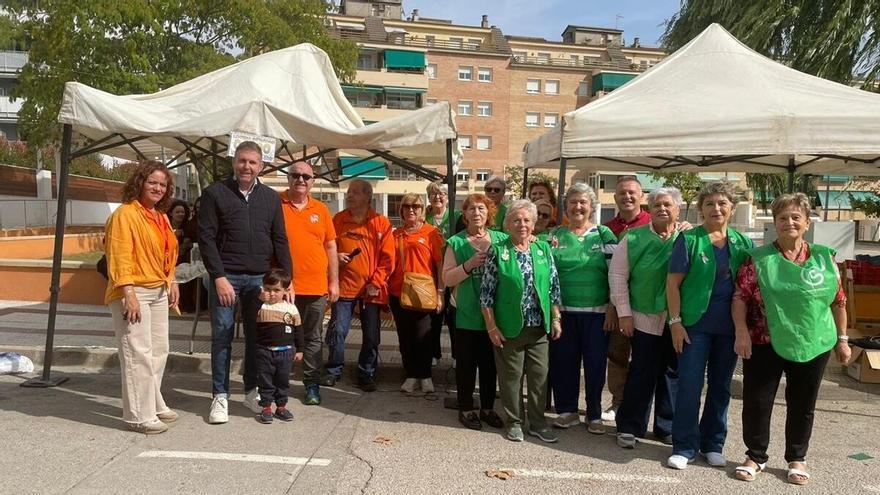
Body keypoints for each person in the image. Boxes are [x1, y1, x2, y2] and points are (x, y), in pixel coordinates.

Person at [732, 193, 850, 486]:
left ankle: (797, 458)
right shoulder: (758, 259)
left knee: (802, 403)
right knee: (758, 401)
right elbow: (740, 298)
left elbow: (839, 301)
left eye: (796, 217)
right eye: (782, 218)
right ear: (774, 223)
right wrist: (742, 332)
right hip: (764, 340)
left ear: (807, 223)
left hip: (813, 341)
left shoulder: (825, 258)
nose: (789, 222)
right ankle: (755, 456)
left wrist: (843, 339)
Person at [199, 141, 292, 425]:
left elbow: (280, 240)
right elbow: (206, 239)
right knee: (223, 336)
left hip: (259, 280)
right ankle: (220, 396)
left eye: (252, 162)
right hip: (227, 277)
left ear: (261, 166)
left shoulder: (271, 198)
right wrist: (219, 277)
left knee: (257, 339)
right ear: (233, 162)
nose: (247, 167)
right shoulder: (215, 194)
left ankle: (251, 391)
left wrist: (287, 282)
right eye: (242, 161)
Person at [665, 181, 753, 470]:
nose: (716, 208)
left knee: (721, 386)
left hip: (728, 327)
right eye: (710, 203)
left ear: (731, 208)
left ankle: (713, 443)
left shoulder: (743, 243)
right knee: (690, 384)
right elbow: (672, 285)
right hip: (693, 326)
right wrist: (675, 323)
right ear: (701, 209)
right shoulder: (689, 240)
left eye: (722, 203)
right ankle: (685, 446)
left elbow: (749, 286)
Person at [104, 160, 180, 434]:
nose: (158, 188)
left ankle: (154, 403)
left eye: (163, 184)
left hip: (158, 289)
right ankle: (138, 415)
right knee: (137, 353)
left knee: (159, 351)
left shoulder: (160, 216)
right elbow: (119, 255)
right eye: (153, 182)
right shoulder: (125, 214)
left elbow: (166, 254)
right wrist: (129, 294)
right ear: (139, 182)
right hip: (133, 289)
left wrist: (171, 281)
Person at [480, 199, 563, 443]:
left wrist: (556, 318)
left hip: (539, 327)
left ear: (534, 223)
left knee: (539, 377)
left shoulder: (543, 249)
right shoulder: (498, 251)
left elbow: (553, 287)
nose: (522, 224)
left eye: (527, 220)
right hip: (509, 327)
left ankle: (537, 422)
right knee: (511, 378)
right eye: (516, 220)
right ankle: (514, 422)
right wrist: (491, 327)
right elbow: (486, 294)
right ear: (508, 224)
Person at [609, 187, 683, 449]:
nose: (662, 209)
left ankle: (667, 427)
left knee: (672, 373)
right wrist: (625, 314)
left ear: (678, 209)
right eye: (656, 205)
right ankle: (630, 425)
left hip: (678, 320)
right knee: (642, 372)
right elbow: (618, 276)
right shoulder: (633, 238)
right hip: (643, 317)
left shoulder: (688, 237)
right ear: (648, 210)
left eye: (667, 205)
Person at [548, 183, 617, 434]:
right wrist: (554, 313)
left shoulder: (604, 234)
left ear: (591, 206)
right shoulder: (554, 236)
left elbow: (617, 274)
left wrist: (612, 307)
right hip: (564, 312)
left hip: (598, 313)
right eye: (573, 202)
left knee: (596, 365)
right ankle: (567, 411)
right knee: (563, 363)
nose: (578, 207)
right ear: (565, 207)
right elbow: (549, 278)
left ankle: (594, 414)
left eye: (583, 202)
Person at [323, 179, 394, 392]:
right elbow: (326, 246)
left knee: (372, 335)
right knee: (338, 331)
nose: (350, 195)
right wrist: (336, 256)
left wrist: (376, 282)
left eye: (355, 192)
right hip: (344, 288)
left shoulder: (381, 222)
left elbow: (388, 259)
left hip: (370, 291)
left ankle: (366, 373)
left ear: (367, 196)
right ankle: (334, 370)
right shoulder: (338, 219)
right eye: (349, 192)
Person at [443, 193, 506, 430]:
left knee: (490, 365)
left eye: (481, 208)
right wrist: (468, 266)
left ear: (489, 213)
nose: (476, 213)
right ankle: (466, 408)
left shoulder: (502, 239)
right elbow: (447, 278)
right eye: (471, 209)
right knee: (467, 365)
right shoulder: (455, 242)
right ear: (464, 215)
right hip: (466, 314)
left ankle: (488, 408)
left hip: (495, 315)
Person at [280, 161, 339, 406]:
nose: (301, 180)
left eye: (306, 176)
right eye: (295, 175)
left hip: (316, 287)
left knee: (313, 338)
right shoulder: (276, 203)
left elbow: (331, 246)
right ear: (289, 178)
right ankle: (278, 385)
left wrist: (334, 281)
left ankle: (311, 385)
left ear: (313, 181)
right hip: (283, 289)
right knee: (281, 337)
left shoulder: (321, 209)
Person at [602, 175, 651, 422]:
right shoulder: (608, 229)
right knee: (618, 355)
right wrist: (613, 308)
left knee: (645, 361)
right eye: (622, 193)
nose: (627, 197)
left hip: (649, 306)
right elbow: (609, 273)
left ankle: (641, 409)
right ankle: (617, 402)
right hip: (620, 305)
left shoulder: (655, 224)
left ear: (642, 196)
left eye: (632, 192)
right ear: (615, 198)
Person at [390, 192, 445, 394]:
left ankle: (425, 375)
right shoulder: (395, 235)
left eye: (416, 206)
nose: (411, 210)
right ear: (401, 210)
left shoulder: (432, 233)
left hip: (424, 292)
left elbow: (439, 265)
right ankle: (411, 374)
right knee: (404, 336)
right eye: (407, 206)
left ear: (423, 211)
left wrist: (440, 292)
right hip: (398, 292)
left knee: (423, 336)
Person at [254, 268, 303, 424]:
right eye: (268, 289)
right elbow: (251, 323)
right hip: (264, 351)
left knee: (282, 380)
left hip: (286, 352)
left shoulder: (291, 308)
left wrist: (300, 349)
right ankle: (266, 407)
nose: (272, 293)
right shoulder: (261, 306)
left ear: (285, 291)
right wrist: (259, 299)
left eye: (277, 290)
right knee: (265, 380)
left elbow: (299, 330)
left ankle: (281, 406)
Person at [425, 181, 462, 365]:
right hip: (430, 274)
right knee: (434, 317)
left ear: (448, 198)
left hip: (453, 272)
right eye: (434, 194)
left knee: (453, 315)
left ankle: (456, 354)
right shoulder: (423, 216)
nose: (438, 197)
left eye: (442, 194)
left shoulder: (457, 217)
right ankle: (434, 353)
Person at [167, 199, 192, 264]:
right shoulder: (165, 225)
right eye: (177, 212)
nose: (180, 214)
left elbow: (185, 246)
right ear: (170, 213)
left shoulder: (188, 226)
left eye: (182, 212)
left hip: (181, 261)